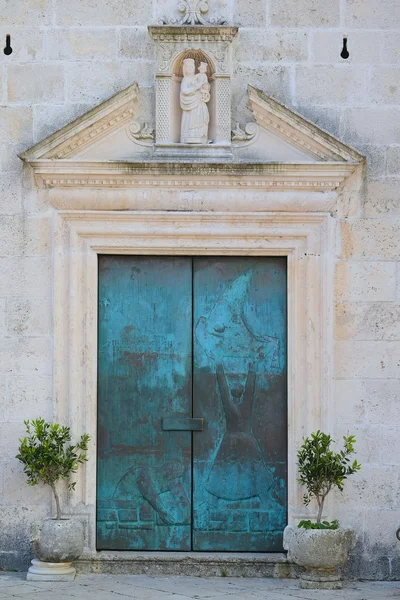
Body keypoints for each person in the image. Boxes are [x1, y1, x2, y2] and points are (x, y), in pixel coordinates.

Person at [180, 58, 210, 144]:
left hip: (200, 101)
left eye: (191, 67)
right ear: (184, 69)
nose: (190, 69)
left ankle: (201, 135)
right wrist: (196, 87)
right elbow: (184, 91)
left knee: (203, 116)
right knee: (191, 118)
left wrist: (205, 90)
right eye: (188, 67)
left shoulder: (198, 77)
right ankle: (189, 135)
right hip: (189, 103)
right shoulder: (185, 79)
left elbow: (205, 86)